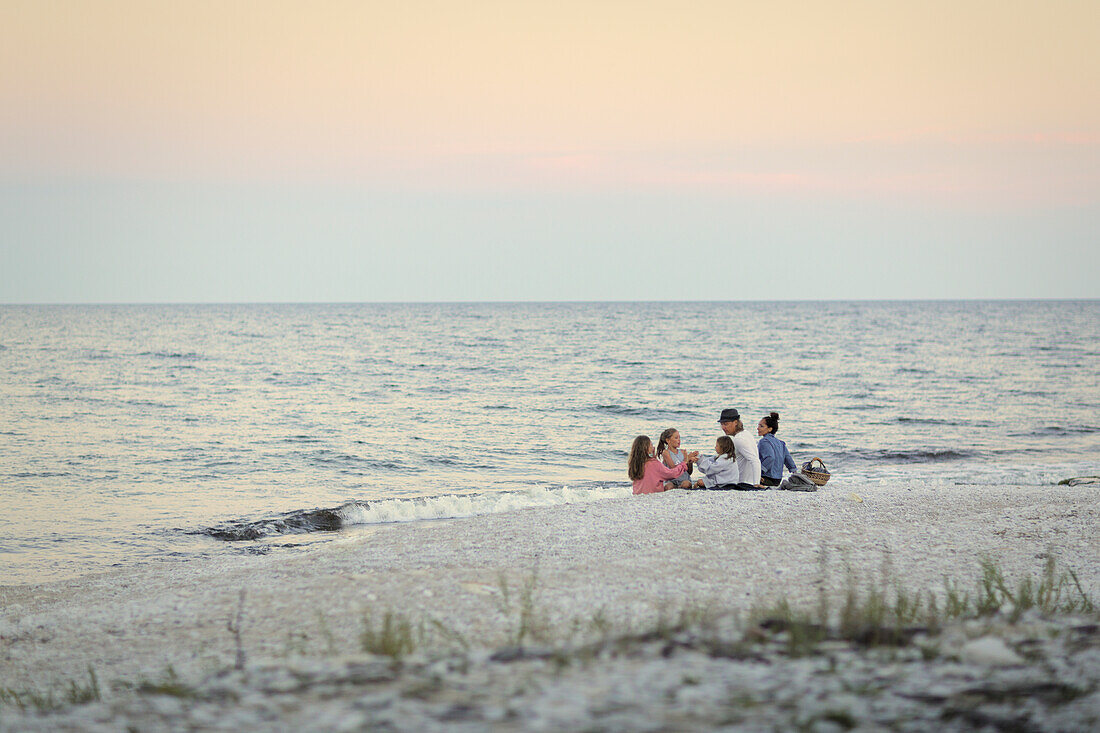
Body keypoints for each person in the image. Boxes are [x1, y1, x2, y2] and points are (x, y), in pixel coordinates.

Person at [627, 435, 696, 495]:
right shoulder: (653, 463)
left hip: (637, 495)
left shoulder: (635, 464)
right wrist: (684, 463)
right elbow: (672, 474)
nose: (652, 446)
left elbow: (649, 474)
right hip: (652, 496)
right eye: (651, 444)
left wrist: (653, 457)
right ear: (646, 448)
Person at [717, 408, 762, 487]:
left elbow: (755, 461)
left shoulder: (739, 439)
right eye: (722, 424)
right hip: (745, 481)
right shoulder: (746, 434)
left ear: (735, 422)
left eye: (726, 424)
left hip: (742, 483)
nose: (723, 427)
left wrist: (756, 484)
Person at [757, 411, 797, 487]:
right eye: (758, 425)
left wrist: (760, 472)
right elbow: (788, 458)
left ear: (770, 429)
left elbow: (770, 457)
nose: (757, 428)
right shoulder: (780, 443)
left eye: (761, 426)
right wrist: (794, 471)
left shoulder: (764, 441)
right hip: (777, 480)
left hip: (766, 478)